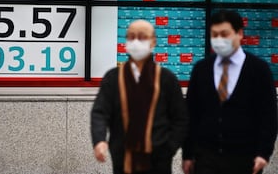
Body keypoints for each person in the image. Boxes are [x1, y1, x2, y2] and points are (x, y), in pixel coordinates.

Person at [182, 9, 278, 174]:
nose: (219, 40)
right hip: (206, 157)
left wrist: (264, 152)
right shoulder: (202, 69)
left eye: (224, 34)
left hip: (244, 158)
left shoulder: (258, 69)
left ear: (239, 33)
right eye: (214, 34)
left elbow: (268, 114)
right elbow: (191, 113)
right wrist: (187, 154)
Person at [91, 19, 189, 174]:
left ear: (153, 42)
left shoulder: (166, 78)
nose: (136, 42)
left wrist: (168, 148)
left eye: (142, 37)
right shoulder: (113, 78)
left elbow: (180, 118)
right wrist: (99, 140)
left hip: (159, 161)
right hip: (123, 159)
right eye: (131, 37)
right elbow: (100, 112)